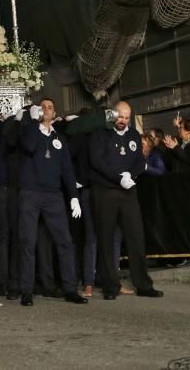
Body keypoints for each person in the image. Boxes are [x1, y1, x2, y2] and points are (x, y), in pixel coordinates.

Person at [89, 101, 163, 300]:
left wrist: (131, 175)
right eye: (120, 116)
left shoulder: (132, 135)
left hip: (128, 192)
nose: (122, 121)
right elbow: (97, 161)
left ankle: (144, 285)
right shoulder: (100, 133)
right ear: (112, 114)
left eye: (126, 117)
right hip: (106, 192)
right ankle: (110, 287)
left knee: (136, 237)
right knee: (105, 238)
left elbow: (140, 159)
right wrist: (118, 177)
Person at [17, 99, 87, 306]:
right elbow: (29, 146)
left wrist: (74, 196)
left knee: (64, 242)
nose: (46, 109)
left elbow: (67, 169)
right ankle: (26, 291)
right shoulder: (30, 131)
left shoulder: (59, 138)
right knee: (28, 243)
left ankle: (70, 289)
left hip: (53, 196)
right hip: (30, 193)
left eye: (49, 107)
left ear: (55, 112)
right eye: (43, 107)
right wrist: (32, 121)